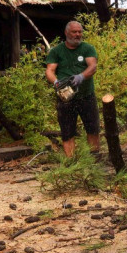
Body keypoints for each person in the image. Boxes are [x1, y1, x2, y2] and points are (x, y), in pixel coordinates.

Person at [45, 21, 100, 158]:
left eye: (79, 32)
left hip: (86, 94)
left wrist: (81, 76)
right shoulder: (56, 51)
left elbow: (92, 67)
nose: (77, 34)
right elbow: (50, 70)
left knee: (92, 128)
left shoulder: (87, 48)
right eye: (74, 32)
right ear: (66, 33)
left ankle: (95, 158)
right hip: (66, 97)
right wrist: (56, 82)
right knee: (67, 130)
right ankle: (72, 162)